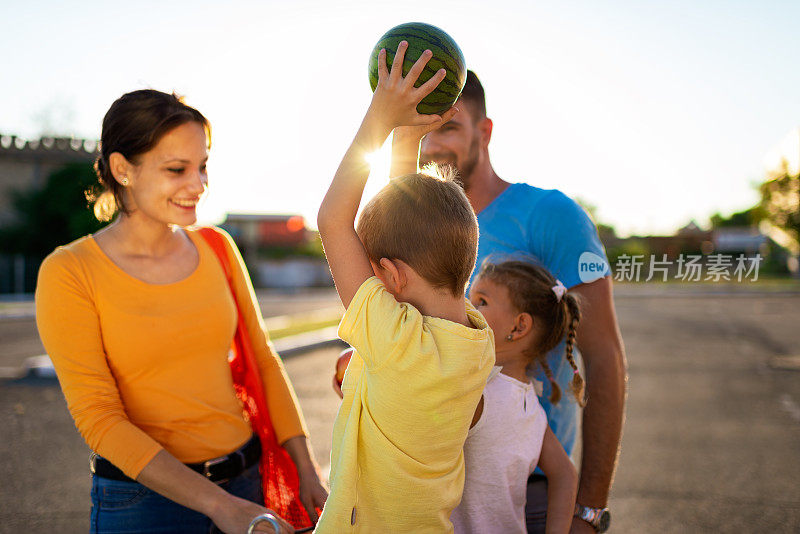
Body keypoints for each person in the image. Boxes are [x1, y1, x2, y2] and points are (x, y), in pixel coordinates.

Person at [35, 89, 327, 534]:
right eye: (177, 169)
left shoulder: (218, 247)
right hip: (142, 504)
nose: (199, 183)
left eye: (203, 165)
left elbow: (264, 361)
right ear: (122, 170)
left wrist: (306, 469)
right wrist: (218, 506)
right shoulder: (69, 272)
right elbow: (99, 419)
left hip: (246, 483)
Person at [391, 71, 627, 533]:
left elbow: (604, 356)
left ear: (485, 131)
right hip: (423, 490)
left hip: (524, 496)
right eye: (419, 131)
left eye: (449, 127)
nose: (432, 145)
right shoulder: (409, 227)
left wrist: (590, 512)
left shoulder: (551, 216)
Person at [315, 42, 494, 532]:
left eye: (373, 273)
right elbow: (410, 227)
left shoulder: (397, 343)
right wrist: (404, 144)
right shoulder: (477, 341)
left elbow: (332, 221)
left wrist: (382, 116)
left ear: (390, 277)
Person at [451, 258, 582, 533]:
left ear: (519, 327)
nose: (467, 308)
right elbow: (566, 474)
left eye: (481, 301)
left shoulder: (478, 389)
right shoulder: (531, 406)